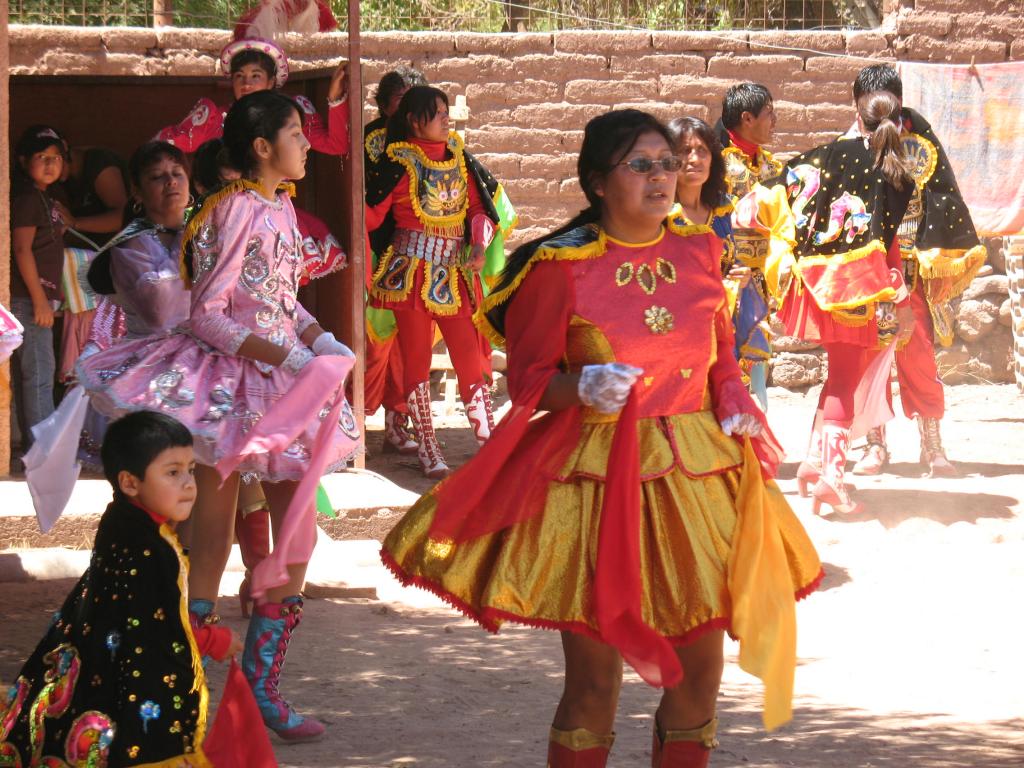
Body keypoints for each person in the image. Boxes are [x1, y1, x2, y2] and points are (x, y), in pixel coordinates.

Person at [381, 109, 822, 767]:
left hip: (698, 476)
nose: (660, 177)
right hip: (596, 482)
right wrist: (581, 390)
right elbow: (531, 384)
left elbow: (720, 347)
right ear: (597, 182)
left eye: (667, 163)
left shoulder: (701, 246)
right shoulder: (559, 268)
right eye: (639, 165)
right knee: (594, 684)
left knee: (699, 676)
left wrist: (731, 396)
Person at [77, 91, 360, 742]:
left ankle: (262, 688)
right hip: (231, 381)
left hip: (284, 379)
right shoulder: (231, 211)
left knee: (298, 535)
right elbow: (207, 314)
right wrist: (284, 352)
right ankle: (184, 690)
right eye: (297, 133)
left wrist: (319, 341)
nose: (307, 144)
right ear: (262, 148)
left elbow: (285, 303)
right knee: (212, 538)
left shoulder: (283, 208)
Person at [0, 410, 241, 767]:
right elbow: (155, 629)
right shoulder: (154, 549)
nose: (190, 483)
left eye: (191, 469)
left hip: (98, 668)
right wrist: (213, 641)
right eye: (173, 472)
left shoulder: (120, 520)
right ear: (131, 482)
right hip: (129, 687)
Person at [752, 90, 917, 515]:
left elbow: (764, 198)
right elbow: (887, 248)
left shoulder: (821, 158)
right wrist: (902, 303)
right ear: (897, 124)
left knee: (837, 375)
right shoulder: (895, 174)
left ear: (854, 115)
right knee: (846, 379)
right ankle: (833, 479)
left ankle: (813, 462)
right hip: (857, 291)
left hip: (814, 286)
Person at [846, 64, 987, 478]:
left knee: (919, 356)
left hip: (912, 269)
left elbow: (943, 201)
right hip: (868, 271)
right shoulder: (848, 145)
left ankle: (932, 444)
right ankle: (874, 445)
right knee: (869, 359)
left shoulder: (922, 143)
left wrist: (929, 256)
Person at [366, 85, 513, 478]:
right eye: (438, 114)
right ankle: (429, 447)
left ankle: (488, 439)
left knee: (469, 355)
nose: (447, 120)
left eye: (447, 113)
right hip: (410, 275)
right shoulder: (396, 161)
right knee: (416, 360)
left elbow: (481, 208)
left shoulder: (461, 159)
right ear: (415, 121)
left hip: (454, 275)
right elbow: (371, 216)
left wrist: (479, 246)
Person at [156, 35, 347, 282]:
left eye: (255, 75)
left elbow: (335, 144)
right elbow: (163, 144)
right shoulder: (215, 118)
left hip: (273, 217)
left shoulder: (287, 119)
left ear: (271, 81)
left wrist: (335, 99)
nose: (246, 83)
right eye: (239, 76)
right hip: (226, 219)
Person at [668, 116, 769, 389]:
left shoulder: (723, 211)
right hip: (674, 333)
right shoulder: (661, 216)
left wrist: (741, 275)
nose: (694, 159)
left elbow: (729, 262)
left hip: (720, 330)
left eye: (702, 151)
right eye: (684, 151)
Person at [364, 66, 428, 456]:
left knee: (408, 346)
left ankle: (395, 424)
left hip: (417, 257)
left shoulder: (432, 145)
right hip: (375, 251)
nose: (408, 111)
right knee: (373, 344)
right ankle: (356, 422)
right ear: (385, 105)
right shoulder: (373, 140)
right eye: (400, 101)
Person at [715, 83, 781, 409]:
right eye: (769, 114)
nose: (775, 121)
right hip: (726, 280)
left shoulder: (774, 167)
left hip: (760, 281)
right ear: (747, 118)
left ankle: (752, 430)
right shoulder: (719, 167)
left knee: (756, 359)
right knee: (727, 356)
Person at [9, 125, 66, 452]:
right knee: (40, 374)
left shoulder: (42, 198)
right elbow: (22, 250)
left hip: (36, 299)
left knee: (35, 373)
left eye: (56, 158)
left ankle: (35, 445)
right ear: (22, 161)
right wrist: (40, 301)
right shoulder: (29, 199)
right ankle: (44, 451)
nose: (50, 163)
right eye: (41, 157)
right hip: (30, 300)